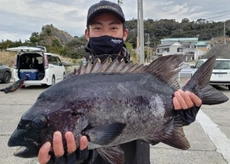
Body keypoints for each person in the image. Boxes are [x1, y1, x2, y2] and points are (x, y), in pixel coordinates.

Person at [38, 1, 202, 164]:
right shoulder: (69, 85)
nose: (106, 34)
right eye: (97, 28)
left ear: (124, 34)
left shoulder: (144, 78)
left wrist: (176, 117)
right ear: (87, 34)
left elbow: (151, 136)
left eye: (113, 28)